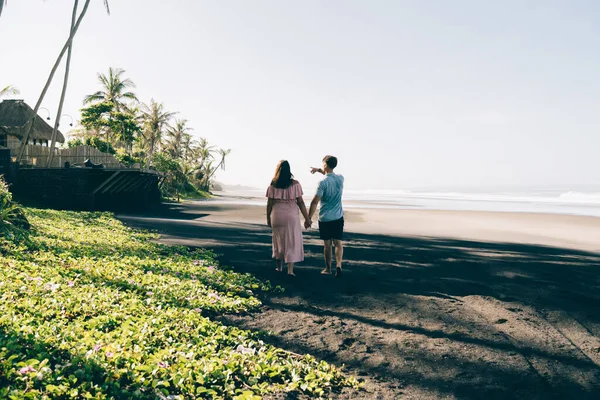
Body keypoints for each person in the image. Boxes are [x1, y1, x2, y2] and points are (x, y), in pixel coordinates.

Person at [266, 160, 311, 276]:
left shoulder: (273, 184)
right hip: (291, 216)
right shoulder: (295, 184)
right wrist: (307, 218)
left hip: (277, 215)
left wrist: (268, 218)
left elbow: (269, 203)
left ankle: (279, 267)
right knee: (291, 241)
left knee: (278, 240)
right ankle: (290, 270)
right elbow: (300, 202)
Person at [307, 155, 345, 277]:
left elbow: (314, 202)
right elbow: (327, 172)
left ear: (325, 164)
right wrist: (318, 170)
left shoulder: (322, 182)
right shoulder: (340, 178)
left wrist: (308, 218)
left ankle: (328, 269)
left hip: (325, 218)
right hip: (338, 217)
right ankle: (338, 265)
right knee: (338, 243)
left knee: (327, 245)